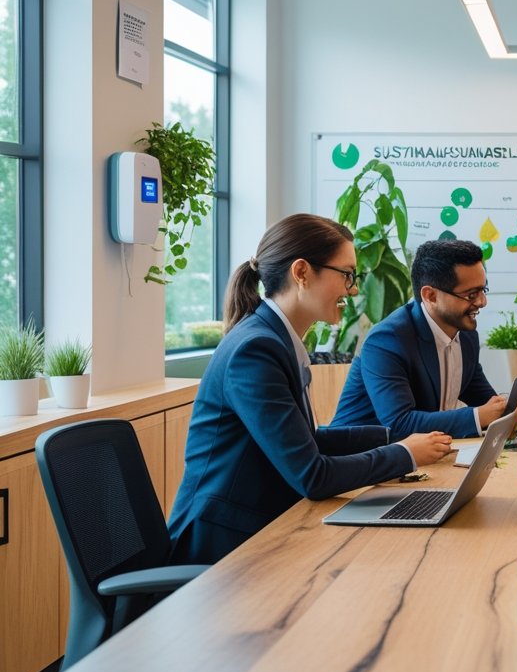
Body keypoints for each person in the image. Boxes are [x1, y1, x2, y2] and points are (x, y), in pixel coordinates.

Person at [168, 215, 452, 565]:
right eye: (346, 274)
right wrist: (405, 454)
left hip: (259, 527)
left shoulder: (273, 339)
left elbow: (308, 440)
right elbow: (312, 476)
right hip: (222, 546)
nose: (353, 289)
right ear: (301, 273)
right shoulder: (255, 350)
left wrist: (394, 437)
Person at [329, 240, 506, 438]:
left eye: (483, 290)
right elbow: (399, 423)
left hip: (422, 459)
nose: (482, 302)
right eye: (471, 294)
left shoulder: (466, 336)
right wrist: (478, 416)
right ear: (430, 295)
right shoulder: (387, 341)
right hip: (357, 459)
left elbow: (486, 403)